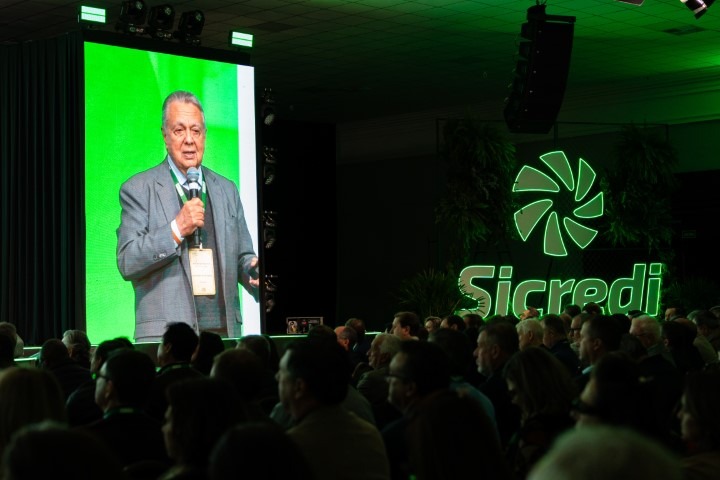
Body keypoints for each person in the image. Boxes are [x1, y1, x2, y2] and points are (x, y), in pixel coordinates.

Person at [116, 90, 259, 342]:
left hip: (222, 336)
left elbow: (242, 256)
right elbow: (128, 261)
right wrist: (176, 229)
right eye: (179, 131)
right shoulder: (138, 189)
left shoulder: (227, 189)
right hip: (170, 340)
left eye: (196, 130)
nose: (189, 140)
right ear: (165, 135)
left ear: (205, 135)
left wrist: (252, 272)